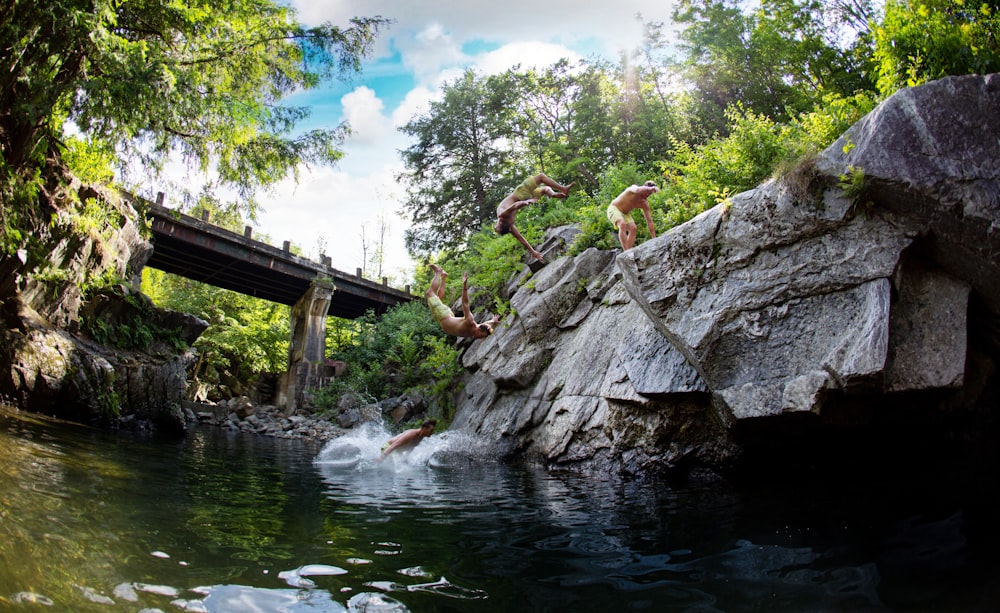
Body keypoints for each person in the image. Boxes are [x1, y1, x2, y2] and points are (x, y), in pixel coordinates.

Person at [495, 173, 575, 261]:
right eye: (497, 225)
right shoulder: (502, 214)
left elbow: (521, 239)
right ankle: (563, 188)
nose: (496, 224)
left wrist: (533, 252)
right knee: (541, 177)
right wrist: (526, 202)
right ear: (502, 222)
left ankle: (552, 194)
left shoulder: (510, 226)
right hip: (521, 193)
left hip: (526, 197)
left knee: (545, 190)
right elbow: (514, 206)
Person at [425, 264, 499, 339]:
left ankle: (444, 277)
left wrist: (492, 321)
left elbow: (484, 325)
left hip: (443, 317)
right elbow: (465, 304)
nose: (480, 338)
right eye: (481, 335)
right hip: (443, 315)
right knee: (430, 293)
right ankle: (438, 272)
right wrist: (464, 286)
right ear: (479, 330)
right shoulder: (470, 321)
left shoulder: (474, 330)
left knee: (437, 299)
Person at [607, 181, 659, 251]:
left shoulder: (644, 203)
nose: (647, 195)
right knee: (622, 224)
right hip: (614, 208)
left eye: (649, 194)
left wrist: (654, 238)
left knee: (633, 228)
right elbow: (638, 190)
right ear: (644, 188)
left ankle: (628, 250)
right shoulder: (634, 189)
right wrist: (651, 188)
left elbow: (649, 221)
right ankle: (626, 251)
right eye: (646, 192)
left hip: (625, 213)